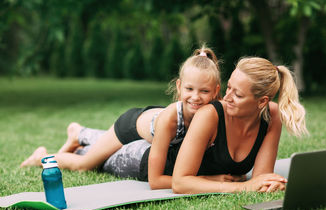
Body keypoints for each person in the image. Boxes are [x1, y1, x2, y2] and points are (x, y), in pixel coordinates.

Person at [20, 46, 221, 190]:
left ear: (215, 91)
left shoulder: (214, 113)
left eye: (204, 91)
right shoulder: (170, 120)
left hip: (149, 127)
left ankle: (79, 135)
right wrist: (209, 181)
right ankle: (40, 158)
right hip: (130, 126)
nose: (196, 97)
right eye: (189, 89)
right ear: (179, 87)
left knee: (99, 156)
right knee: (84, 165)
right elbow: (155, 181)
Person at [171, 57, 309, 194]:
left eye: (237, 95)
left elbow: (261, 179)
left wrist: (271, 184)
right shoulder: (209, 114)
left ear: (262, 101)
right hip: (164, 152)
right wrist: (241, 187)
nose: (226, 97)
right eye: (229, 87)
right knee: (156, 120)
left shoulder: (272, 115)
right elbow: (179, 183)